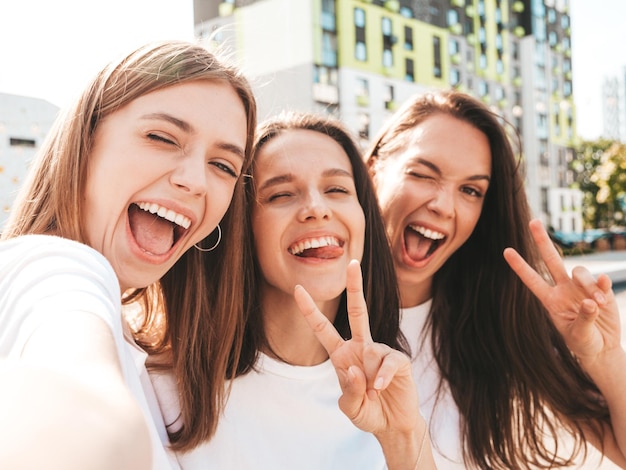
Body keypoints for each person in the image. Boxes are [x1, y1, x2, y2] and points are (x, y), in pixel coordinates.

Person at [0, 40, 256, 469]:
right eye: (161, 137)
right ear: (86, 139)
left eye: (224, 166)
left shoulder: (134, 343)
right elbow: (80, 409)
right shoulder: (55, 269)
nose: (195, 181)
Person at [364, 89, 626, 469]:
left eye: (470, 190)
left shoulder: (494, 322)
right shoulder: (316, 311)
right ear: (372, 169)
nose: (443, 205)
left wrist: (604, 357)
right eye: (422, 174)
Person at [156, 112, 434, 469]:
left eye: (337, 190)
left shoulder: (393, 386)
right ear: (242, 226)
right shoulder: (165, 389)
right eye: (281, 194)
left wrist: (403, 438)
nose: (317, 209)